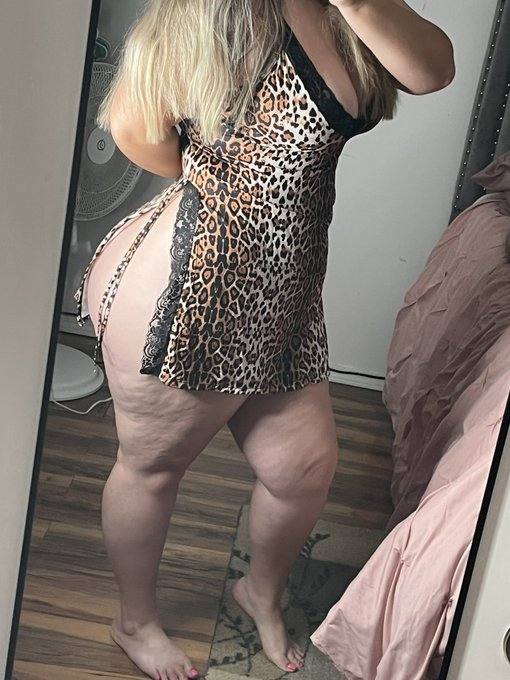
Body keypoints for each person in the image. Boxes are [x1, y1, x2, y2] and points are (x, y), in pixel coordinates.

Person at [74, 1, 455, 678]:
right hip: (194, 288)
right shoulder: (206, 10)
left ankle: (259, 591)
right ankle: (134, 623)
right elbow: (134, 129)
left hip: (286, 294)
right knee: (151, 468)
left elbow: (431, 71)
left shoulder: (344, 9)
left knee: (303, 470)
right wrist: (228, 189)